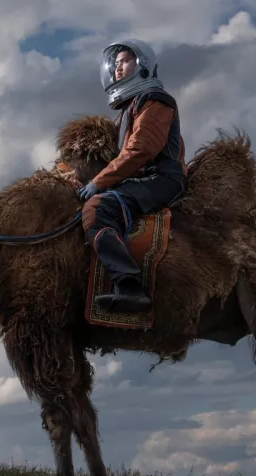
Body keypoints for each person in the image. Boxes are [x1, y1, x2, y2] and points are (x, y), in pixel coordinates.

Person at [77, 39, 187, 313]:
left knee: (98, 208)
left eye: (125, 61)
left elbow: (141, 150)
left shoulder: (154, 100)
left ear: (143, 65)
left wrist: (99, 184)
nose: (117, 68)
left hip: (161, 179)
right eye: (115, 64)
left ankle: (129, 287)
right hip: (139, 179)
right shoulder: (129, 109)